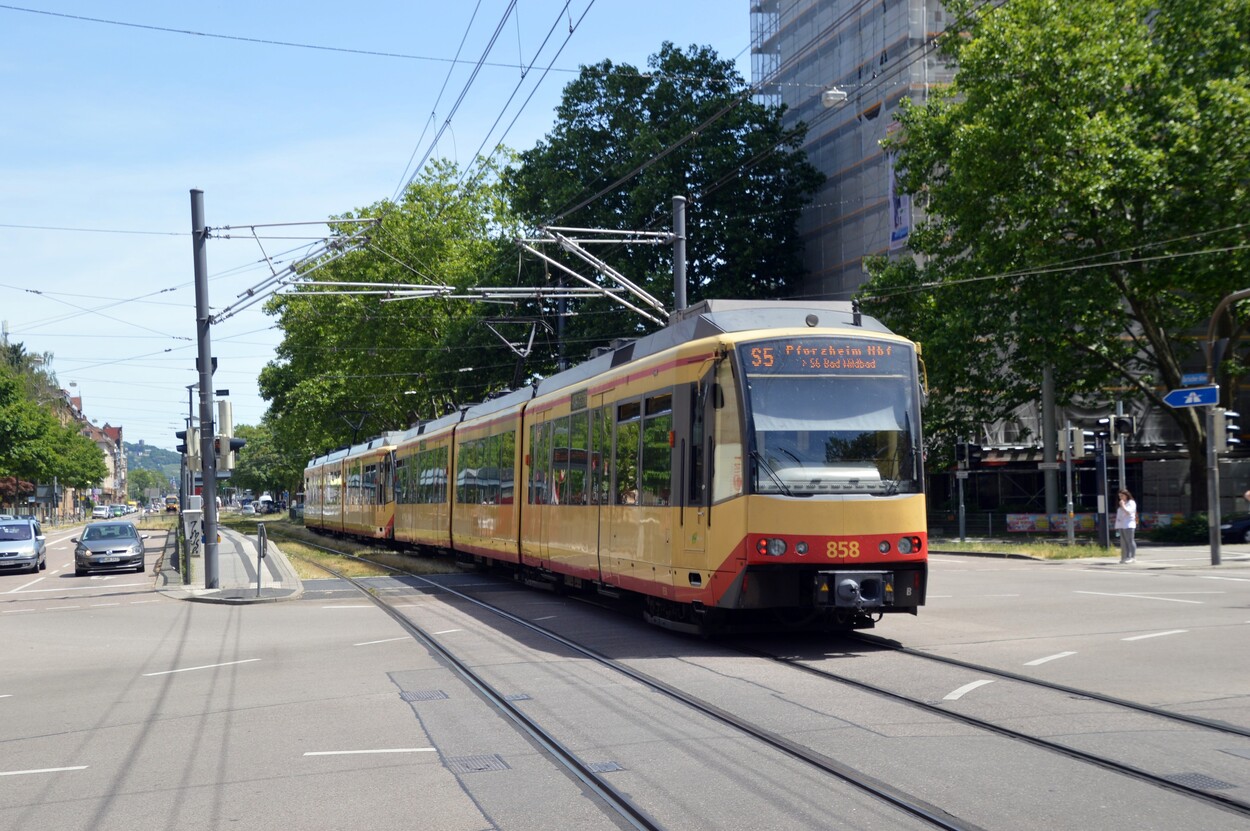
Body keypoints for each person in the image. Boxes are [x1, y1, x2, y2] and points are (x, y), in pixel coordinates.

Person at [1115, 488, 1138, 563]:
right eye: (1119, 496)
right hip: (1122, 525)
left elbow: (1128, 512)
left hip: (1129, 524)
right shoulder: (1123, 503)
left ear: (1126, 495)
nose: (1120, 497)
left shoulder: (1131, 502)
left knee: (1130, 541)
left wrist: (1123, 505)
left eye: (1122, 496)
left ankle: (1132, 557)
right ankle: (1126, 556)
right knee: (1124, 541)